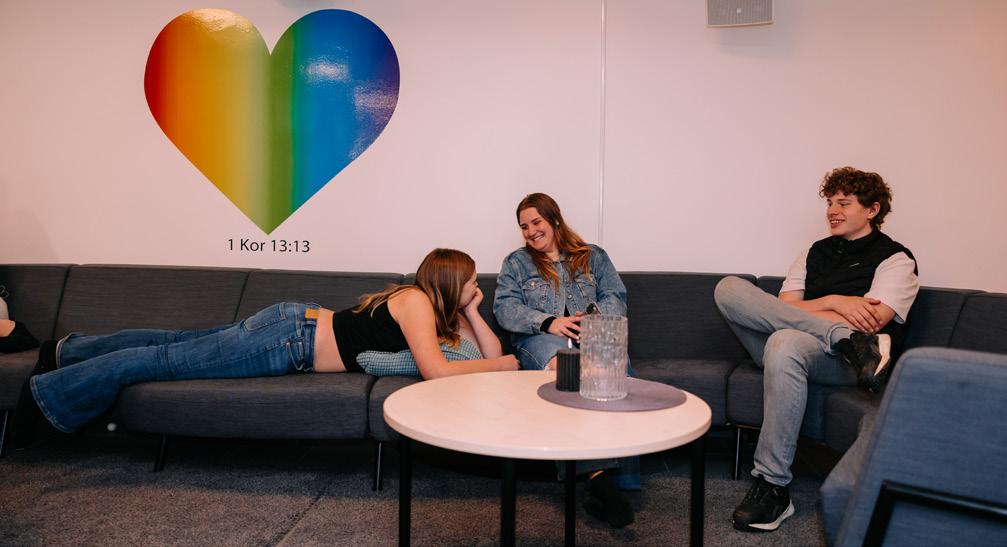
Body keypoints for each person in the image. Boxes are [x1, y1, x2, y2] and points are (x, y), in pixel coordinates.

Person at [17, 249, 519, 436]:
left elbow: (490, 354)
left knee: (174, 343)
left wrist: (474, 311)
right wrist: (501, 368)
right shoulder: (417, 303)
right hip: (290, 340)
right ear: (449, 281)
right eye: (470, 281)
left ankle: (67, 351)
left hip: (291, 329)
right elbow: (437, 370)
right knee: (168, 360)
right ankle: (46, 397)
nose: (475, 286)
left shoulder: (429, 306)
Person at [714, 167, 919, 532]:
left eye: (844, 203)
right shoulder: (812, 253)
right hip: (826, 345)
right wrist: (836, 303)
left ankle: (772, 486)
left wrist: (810, 312)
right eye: (830, 202)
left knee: (785, 341)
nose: (832, 211)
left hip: (851, 363)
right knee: (728, 289)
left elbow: (872, 322)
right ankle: (841, 337)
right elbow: (781, 309)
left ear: (872, 210)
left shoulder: (896, 259)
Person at [493, 192, 637, 528]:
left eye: (536, 222)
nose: (531, 231)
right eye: (524, 226)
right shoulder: (516, 263)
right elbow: (504, 308)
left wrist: (593, 321)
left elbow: (616, 297)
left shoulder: (592, 256)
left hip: (592, 335)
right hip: (540, 339)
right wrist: (549, 322)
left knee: (615, 372)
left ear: (554, 220)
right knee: (567, 370)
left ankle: (614, 482)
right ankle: (600, 481)